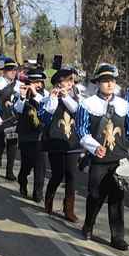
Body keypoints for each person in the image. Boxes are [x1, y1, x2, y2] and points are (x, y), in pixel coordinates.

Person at [75, 64, 129, 251]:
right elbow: (81, 131)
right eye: (105, 81)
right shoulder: (87, 105)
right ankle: (88, 225)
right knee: (95, 196)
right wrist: (94, 147)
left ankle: (117, 237)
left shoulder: (123, 105)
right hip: (99, 159)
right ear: (98, 83)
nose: (109, 84)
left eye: (112, 80)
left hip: (119, 158)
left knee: (117, 199)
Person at [40, 67, 84, 221]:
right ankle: (49, 202)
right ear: (59, 83)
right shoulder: (49, 97)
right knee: (57, 174)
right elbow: (45, 117)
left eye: (72, 80)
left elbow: (79, 112)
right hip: (55, 141)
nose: (71, 84)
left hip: (73, 142)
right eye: (67, 81)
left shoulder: (77, 97)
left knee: (72, 176)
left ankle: (69, 209)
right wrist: (53, 98)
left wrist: (67, 97)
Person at [14, 67, 49, 202]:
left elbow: (47, 107)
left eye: (40, 82)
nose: (38, 85)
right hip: (26, 135)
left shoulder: (45, 95)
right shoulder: (21, 93)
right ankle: (22, 180)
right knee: (26, 165)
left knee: (40, 167)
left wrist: (35, 94)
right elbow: (17, 109)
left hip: (40, 135)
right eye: (34, 82)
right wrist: (22, 96)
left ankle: (38, 193)